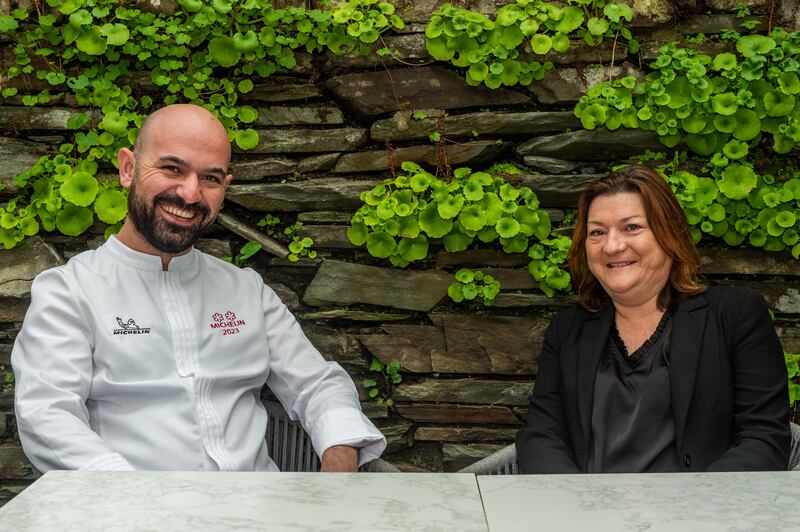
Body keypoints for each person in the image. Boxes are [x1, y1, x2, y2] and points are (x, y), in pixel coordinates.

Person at [12, 104, 386, 473]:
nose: (191, 194)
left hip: (261, 502)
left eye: (210, 178)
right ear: (128, 169)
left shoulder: (247, 290)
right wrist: (127, 492)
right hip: (134, 502)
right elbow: (47, 414)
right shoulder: (70, 292)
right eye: (172, 168)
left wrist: (338, 461)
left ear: (225, 187)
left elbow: (317, 384)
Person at [516, 164, 790, 473]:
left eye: (631, 227)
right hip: (585, 503)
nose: (612, 246)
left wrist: (694, 501)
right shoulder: (567, 330)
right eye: (597, 232)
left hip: (700, 502)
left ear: (669, 234)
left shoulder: (734, 315)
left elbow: (764, 438)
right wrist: (575, 499)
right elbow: (541, 435)